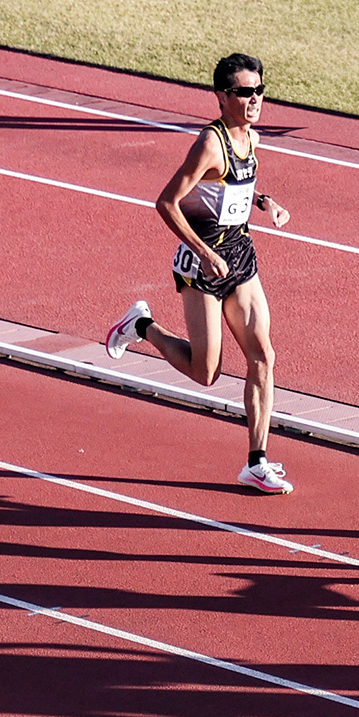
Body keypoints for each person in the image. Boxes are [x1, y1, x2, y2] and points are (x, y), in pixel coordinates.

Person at [104, 51, 293, 493]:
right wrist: (205, 252)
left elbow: (237, 187)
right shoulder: (210, 143)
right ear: (222, 97)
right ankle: (142, 325)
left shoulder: (254, 139)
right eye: (245, 92)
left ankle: (256, 460)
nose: (254, 99)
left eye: (259, 91)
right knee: (207, 372)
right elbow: (167, 202)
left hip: (241, 256)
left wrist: (267, 204)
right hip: (203, 265)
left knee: (263, 355)